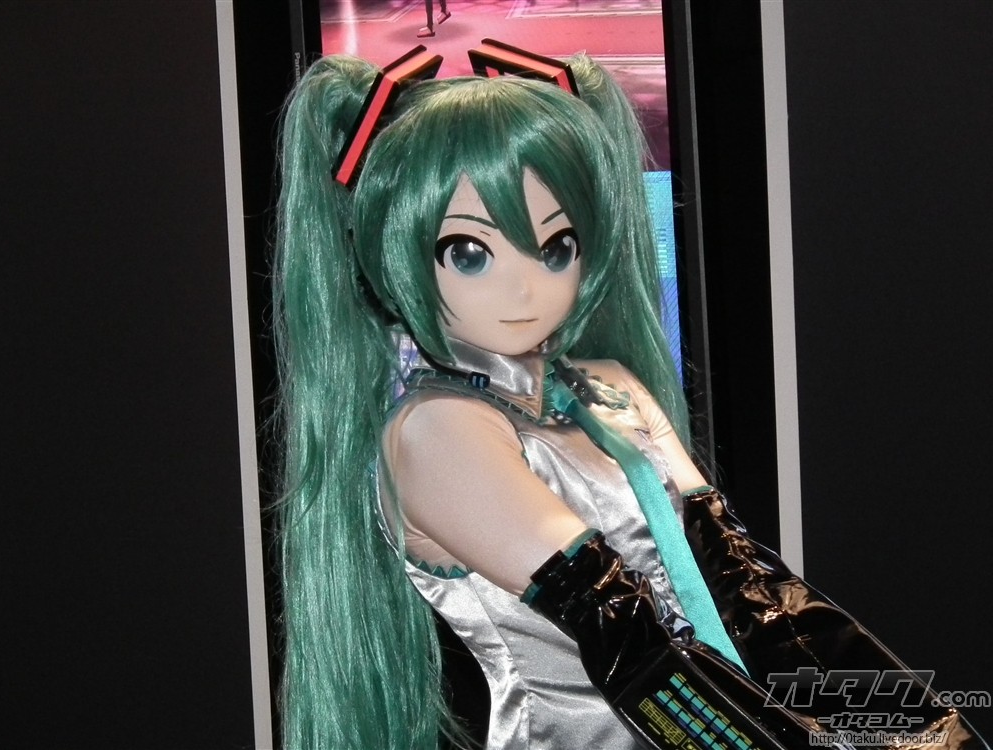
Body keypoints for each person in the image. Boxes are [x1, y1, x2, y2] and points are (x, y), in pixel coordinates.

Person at [274, 48, 986, 750]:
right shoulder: (438, 431)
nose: (524, 287)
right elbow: (630, 641)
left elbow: (751, 593)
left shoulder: (608, 386)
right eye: (470, 252)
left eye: (556, 246)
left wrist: (922, 734)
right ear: (393, 250)